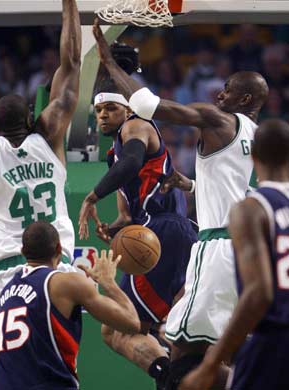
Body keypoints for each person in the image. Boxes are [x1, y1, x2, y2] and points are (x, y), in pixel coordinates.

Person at [92, 19, 269, 388]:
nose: (219, 95)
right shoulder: (265, 140)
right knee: (228, 348)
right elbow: (242, 188)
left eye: (228, 91)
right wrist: (188, 183)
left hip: (218, 249)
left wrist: (109, 64)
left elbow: (147, 104)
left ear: (246, 100)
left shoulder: (218, 119)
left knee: (181, 347)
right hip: (253, 253)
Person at [0, 0, 82, 384]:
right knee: (56, 368)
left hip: (2, 276)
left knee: (0, 373)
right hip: (56, 269)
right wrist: (69, 4)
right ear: (32, 116)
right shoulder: (50, 136)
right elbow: (72, 63)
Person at [78, 90, 197, 389]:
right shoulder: (112, 156)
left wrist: (92, 197)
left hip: (162, 232)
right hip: (167, 234)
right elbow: (128, 219)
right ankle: (181, 372)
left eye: (111, 108)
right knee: (173, 324)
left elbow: (131, 162)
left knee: (117, 326)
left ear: (127, 109)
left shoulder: (137, 125)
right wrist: (114, 232)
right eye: (98, 110)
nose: (103, 114)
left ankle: (170, 377)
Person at [179, 118, 289, 390]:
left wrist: (210, 364)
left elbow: (259, 292)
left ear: (252, 157)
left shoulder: (251, 209)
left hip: (274, 342)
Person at [0, 220, 140, 390]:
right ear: (59, 249)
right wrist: (108, 283)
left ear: (23, 252)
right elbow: (132, 323)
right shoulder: (63, 283)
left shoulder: (6, 293)